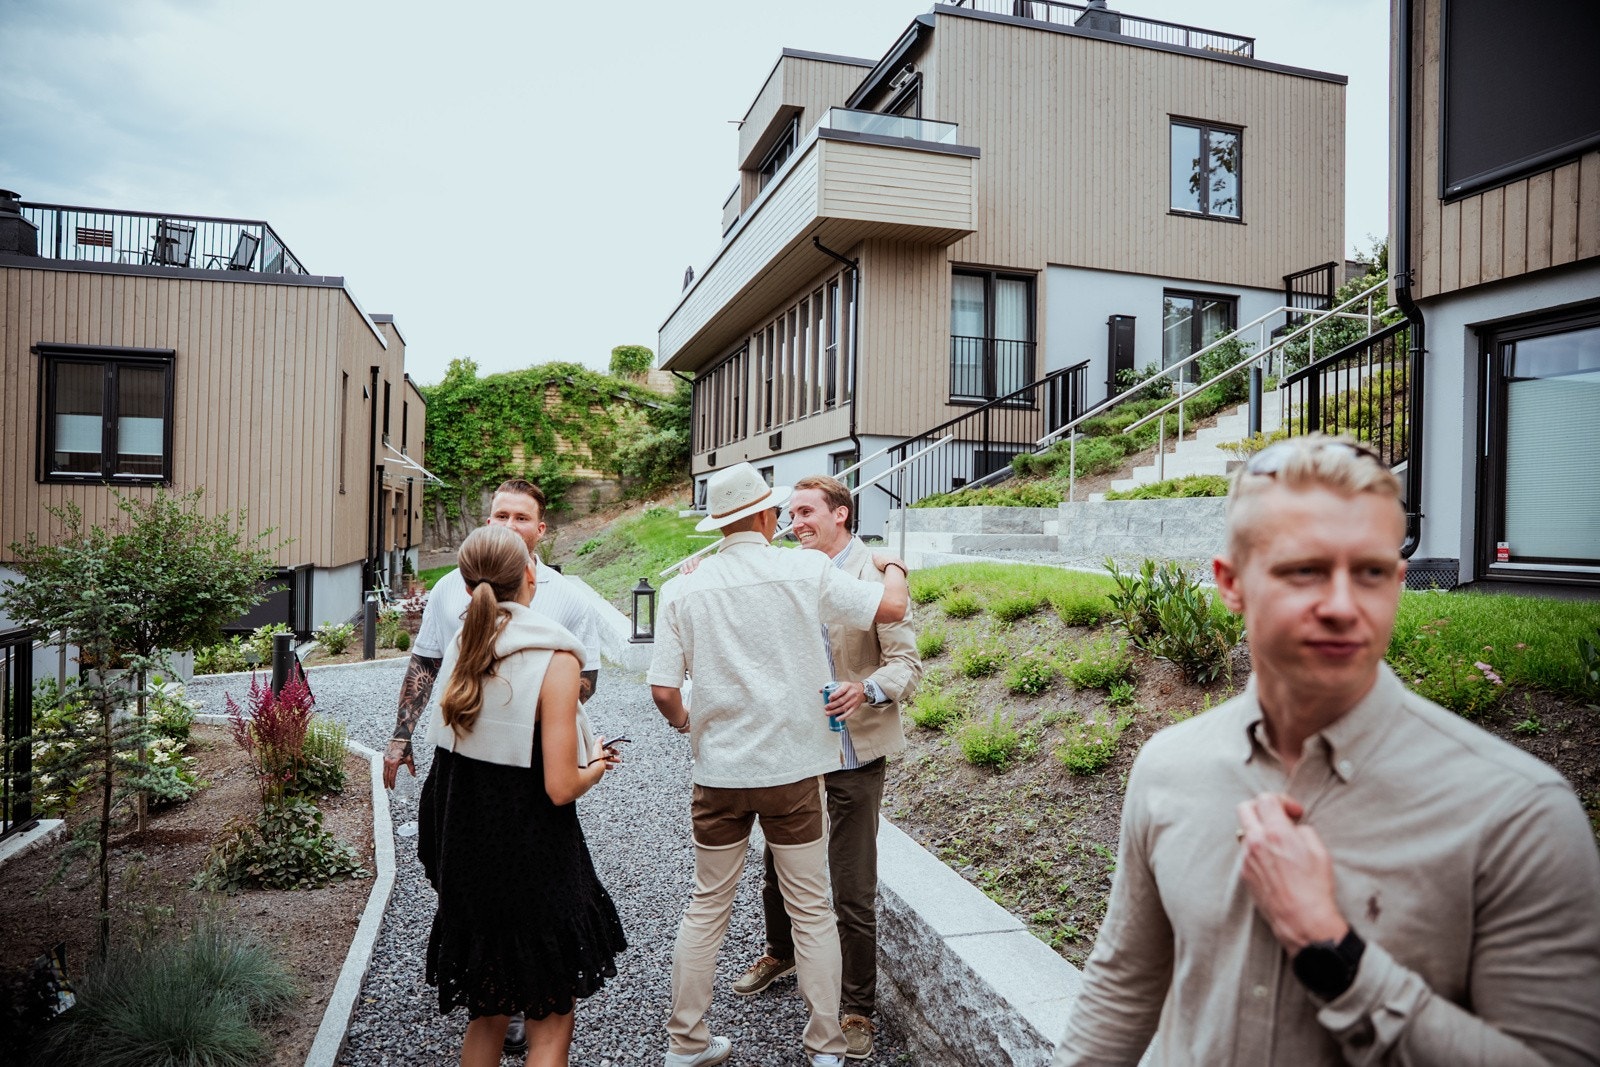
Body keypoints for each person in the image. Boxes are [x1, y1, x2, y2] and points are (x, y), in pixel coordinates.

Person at [1052, 434, 1600, 1066]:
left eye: (1370, 573)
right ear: (1230, 584)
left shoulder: (1518, 814)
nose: (1343, 606)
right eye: (1304, 570)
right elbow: (1123, 985)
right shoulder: (1168, 768)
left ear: (1398, 583)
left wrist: (1330, 950)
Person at [648, 462, 910, 1067]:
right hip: (792, 774)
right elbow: (891, 610)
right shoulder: (805, 568)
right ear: (766, 515)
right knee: (812, 908)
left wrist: (691, 725)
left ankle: (685, 1043)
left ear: (720, 523)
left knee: (706, 904)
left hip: (718, 777)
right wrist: (892, 565)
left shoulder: (684, 587)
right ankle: (823, 1047)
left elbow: (664, 692)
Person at [385, 478, 604, 1056]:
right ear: (530, 573)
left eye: (518, 516)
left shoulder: (466, 635)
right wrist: (597, 762)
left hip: (463, 828)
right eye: (499, 515)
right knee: (552, 1016)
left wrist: (404, 739)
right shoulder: (555, 654)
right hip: (531, 837)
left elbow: (432, 680)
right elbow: (560, 788)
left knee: (485, 1013)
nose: (508, 523)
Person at [730, 474, 921, 1061]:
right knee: (776, 865)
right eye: (789, 514)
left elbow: (908, 665)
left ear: (842, 514)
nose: (795, 522)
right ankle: (781, 952)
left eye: (807, 511)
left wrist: (866, 690)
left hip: (854, 758)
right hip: (792, 751)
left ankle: (856, 1006)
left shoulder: (874, 577)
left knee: (852, 886)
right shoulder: (788, 570)